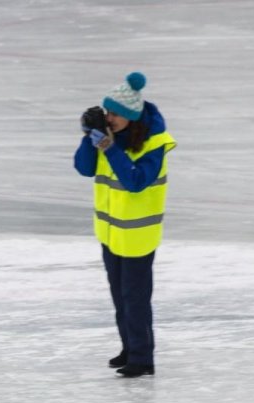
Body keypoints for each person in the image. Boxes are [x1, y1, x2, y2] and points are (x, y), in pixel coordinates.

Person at [74, 71, 176, 378]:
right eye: (108, 113)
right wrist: (87, 137)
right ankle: (130, 348)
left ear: (132, 116)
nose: (110, 118)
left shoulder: (154, 143)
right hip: (111, 232)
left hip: (137, 236)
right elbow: (83, 167)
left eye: (116, 114)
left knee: (136, 299)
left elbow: (134, 181)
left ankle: (143, 358)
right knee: (120, 296)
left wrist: (109, 147)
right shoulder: (112, 138)